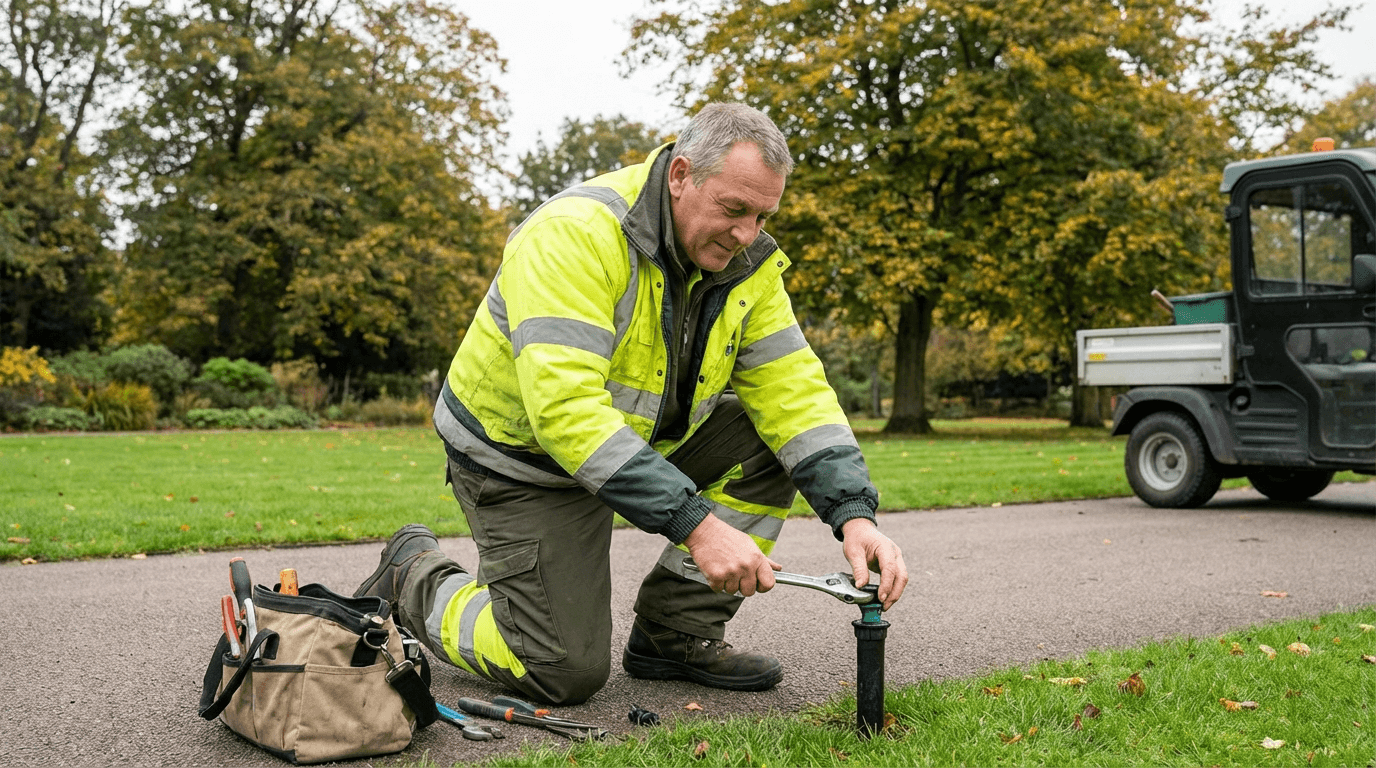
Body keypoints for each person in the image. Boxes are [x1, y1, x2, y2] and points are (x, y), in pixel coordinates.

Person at [356, 102, 908, 705]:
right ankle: (413, 576)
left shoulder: (747, 264)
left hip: (631, 443)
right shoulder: (574, 234)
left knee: (767, 438)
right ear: (681, 175)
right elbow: (566, 413)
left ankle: (675, 630)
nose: (748, 234)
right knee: (559, 669)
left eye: (762, 216)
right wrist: (699, 527)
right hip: (522, 460)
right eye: (734, 209)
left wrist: (855, 515)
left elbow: (794, 392)